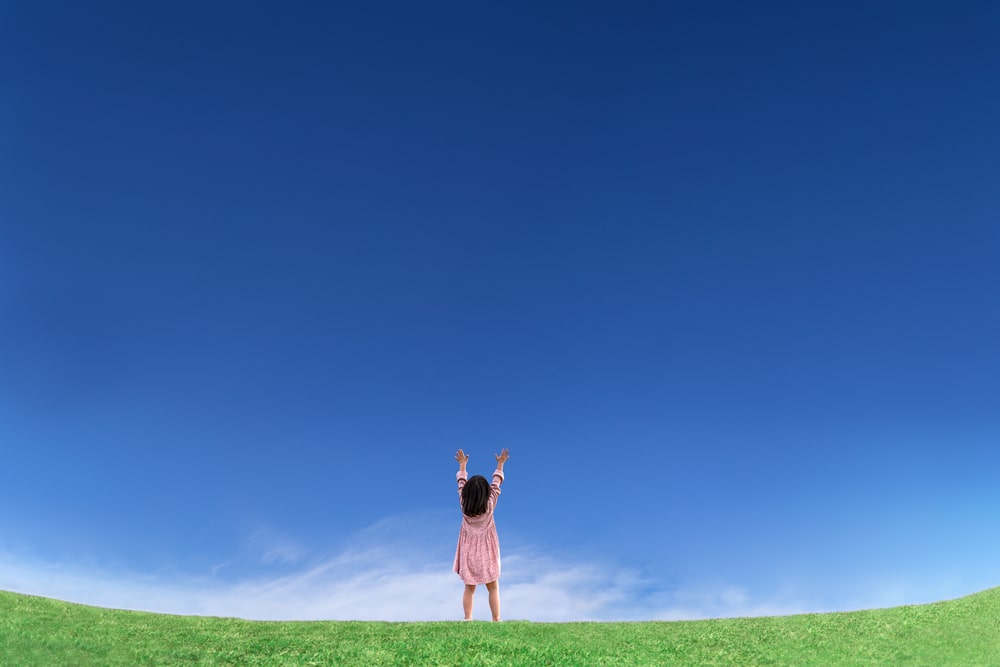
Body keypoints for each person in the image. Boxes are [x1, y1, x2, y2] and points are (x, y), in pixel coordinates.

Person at [453, 447, 509, 621]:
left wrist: (463, 465)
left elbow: (461, 483)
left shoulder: (464, 504)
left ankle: (467, 618)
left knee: (469, 588)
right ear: (487, 494)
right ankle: (496, 618)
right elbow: (496, 484)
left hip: (469, 552)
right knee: (493, 587)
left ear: (466, 495)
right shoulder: (490, 505)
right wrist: (500, 464)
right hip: (487, 552)